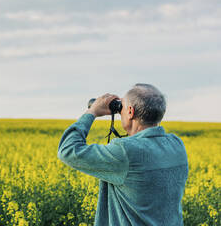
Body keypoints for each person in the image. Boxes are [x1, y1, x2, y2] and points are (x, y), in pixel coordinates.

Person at [58, 84, 188, 226]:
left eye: (122, 107)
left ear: (130, 112)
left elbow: (67, 150)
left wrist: (92, 111)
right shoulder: (177, 144)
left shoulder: (125, 151)